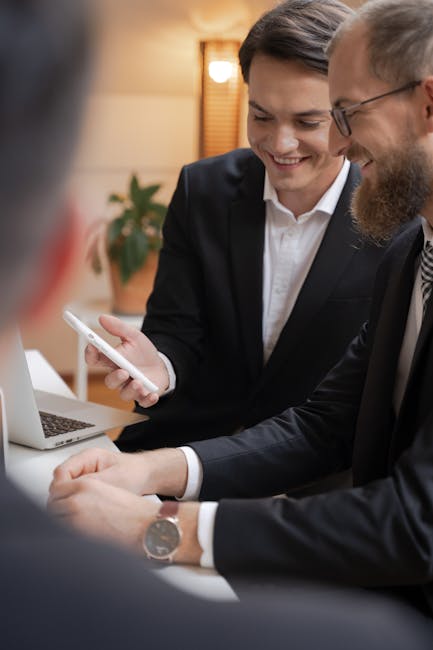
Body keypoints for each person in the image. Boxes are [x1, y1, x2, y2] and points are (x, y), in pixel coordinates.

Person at [5, 1, 433, 648]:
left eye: (341, 114)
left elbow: (413, 524)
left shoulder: (384, 223)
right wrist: (150, 472)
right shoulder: (412, 250)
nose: (332, 142)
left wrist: (161, 529)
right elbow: (325, 421)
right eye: (262, 114)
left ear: (427, 104)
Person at [90, 0, 390, 453]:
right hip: (186, 444)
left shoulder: (392, 215)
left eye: (307, 121)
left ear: (350, 115)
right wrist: (159, 365)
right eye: (261, 116)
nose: (279, 143)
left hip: (317, 469)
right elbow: (176, 329)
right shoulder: (201, 189)